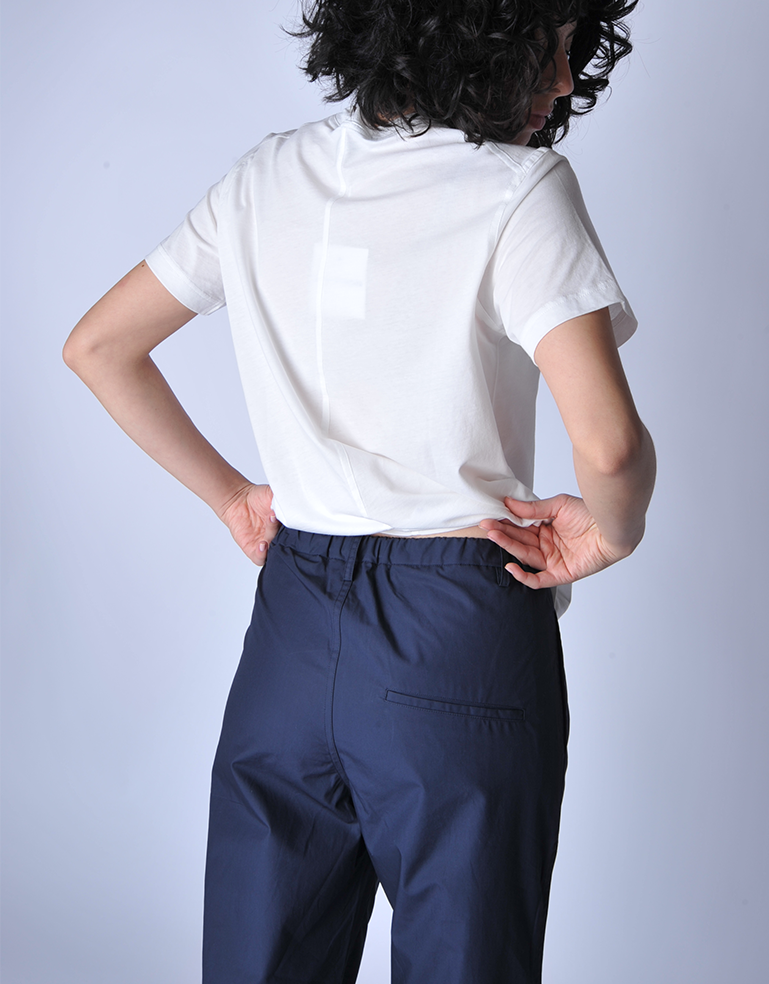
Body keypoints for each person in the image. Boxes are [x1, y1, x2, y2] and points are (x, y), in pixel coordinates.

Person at [63, 0, 655, 981]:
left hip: (289, 630)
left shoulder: (264, 178)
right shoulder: (517, 190)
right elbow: (610, 444)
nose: (562, 83)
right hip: (459, 632)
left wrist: (232, 497)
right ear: (478, 40)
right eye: (551, 49)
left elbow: (98, 347)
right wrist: (610, 534)